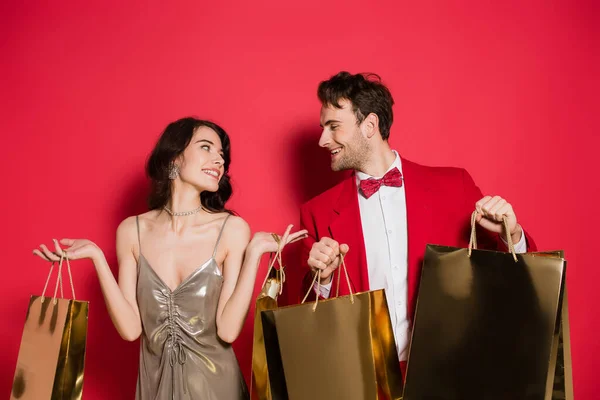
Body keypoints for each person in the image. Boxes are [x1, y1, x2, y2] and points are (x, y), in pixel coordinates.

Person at [33, 117, 307, 399]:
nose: (219, 161)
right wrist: (96, 257)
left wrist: (253, 254)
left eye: (222, 155)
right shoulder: (132, 231)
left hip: (216, 388)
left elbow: (227, 331)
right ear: (175, 158)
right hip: (154, 387)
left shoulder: (231, 229)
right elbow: (129, 330)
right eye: (206, 148)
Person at [299, 72, 536, 374]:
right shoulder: (317, 212)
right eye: (323, 128)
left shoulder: (455, 186)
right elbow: (310, 323)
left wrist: (512, 235)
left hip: (451, 375)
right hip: (363, 379)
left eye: (333, 127)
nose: (322, 140)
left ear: (369, 125)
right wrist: (321, 280)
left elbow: (513, 283)